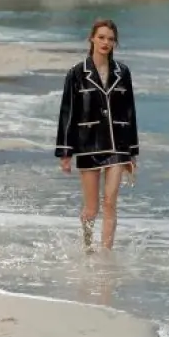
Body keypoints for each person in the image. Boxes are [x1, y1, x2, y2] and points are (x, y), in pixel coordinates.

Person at [54, 19, 138, 251]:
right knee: (91, 209)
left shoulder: (123, 73)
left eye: (110, 39)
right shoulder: (76, 73)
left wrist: (132, 152)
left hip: (118, 145)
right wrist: (65, 152)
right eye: (101, 37)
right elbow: (67, 113)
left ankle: (106, 254)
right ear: (91, 38)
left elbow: (130, 111)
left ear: (115, 43)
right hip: (88, 145)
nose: (105, 42)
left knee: (110, 202)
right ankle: (88, 248)